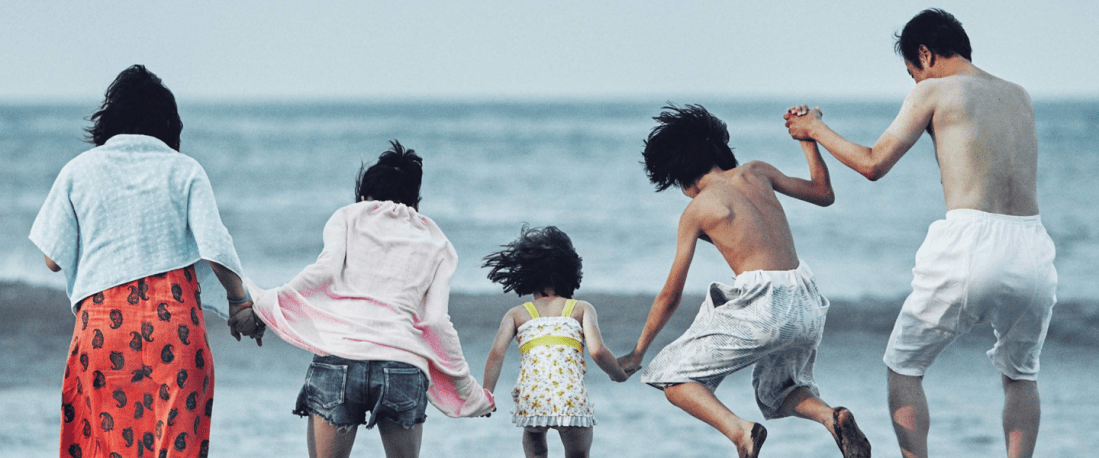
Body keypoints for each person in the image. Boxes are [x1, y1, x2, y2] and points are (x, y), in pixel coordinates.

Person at [784, 9, 1057, 458]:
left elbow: (873, 163)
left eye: (912, 72)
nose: (915, 82)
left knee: (904, 366)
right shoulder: (1018, 94)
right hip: (1033, 249)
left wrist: (813, 128)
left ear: (925, 54)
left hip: (972, 241)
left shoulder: (933, 89)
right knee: (1021, 376)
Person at [29, 64, 260, 458]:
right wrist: (239, 302)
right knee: (177, 444)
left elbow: (52, 259)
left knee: (104, 446)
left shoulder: (78, 171)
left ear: (109, 119)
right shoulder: (184, 169)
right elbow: (215, 246)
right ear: (168, 123)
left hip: (102, 333)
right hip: (175, 332)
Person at [616, 104, 871, 458]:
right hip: (807, 300)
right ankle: (832, 417)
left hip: (764, 307)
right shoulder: (757, 171)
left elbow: (670, 294)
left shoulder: (697, 209)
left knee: (669, 375)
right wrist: (807, 138)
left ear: (678, 174)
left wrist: (638, 352)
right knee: (778, 392)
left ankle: (741, 431)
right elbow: (823, 193)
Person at [231, 141, 494, 458]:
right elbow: (437, 321)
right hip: (402, 365)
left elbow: (322, 272)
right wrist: (469, 392)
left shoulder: (348, 216)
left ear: (363, 197)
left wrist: (264, 307)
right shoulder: (437, 241)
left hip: (340, 358)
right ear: (415, 203)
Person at [481, 225, 629, 458]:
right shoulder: (580, 308)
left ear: (527, 276)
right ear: (570, 273)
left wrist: (487, 395)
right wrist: (618, 374)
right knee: (578, 453)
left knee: (535, 443)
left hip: (533, 398)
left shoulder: (517, 314)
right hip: (569, 398)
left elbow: (496, 354)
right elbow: (598, 351)